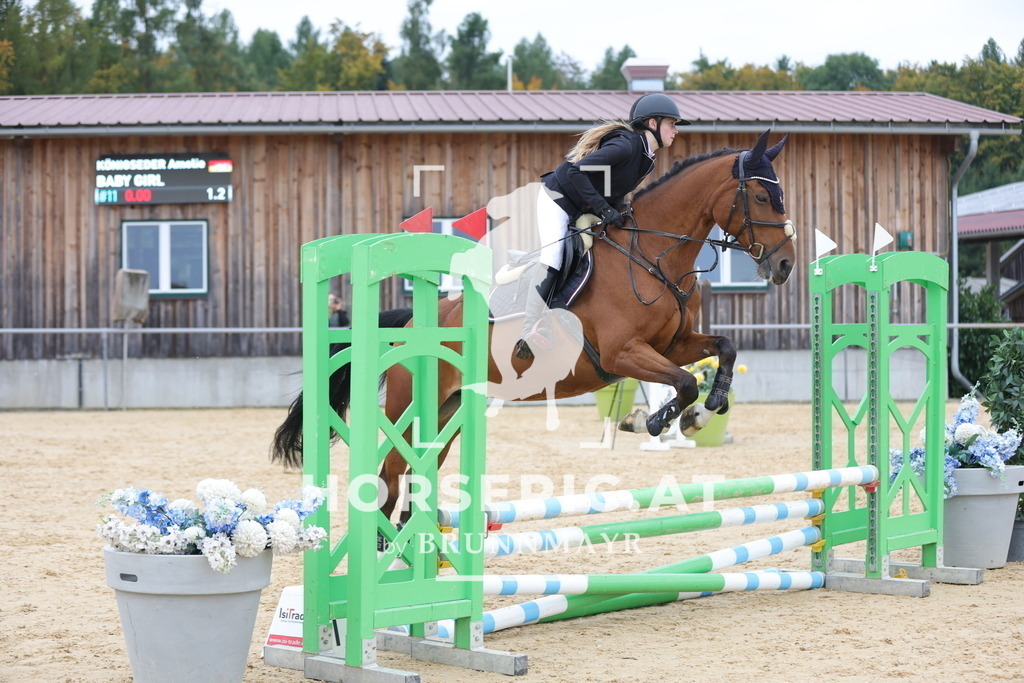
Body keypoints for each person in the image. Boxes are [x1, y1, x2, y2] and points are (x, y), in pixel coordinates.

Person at [514, 92, 690, 360]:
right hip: (557, 199)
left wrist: (618, 210)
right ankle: (529, 330)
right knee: (554, 257)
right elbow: (576, 172)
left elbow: (612, 186)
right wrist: (604, 209)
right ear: (652, 123)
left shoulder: (647, 156)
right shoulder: (626, 146)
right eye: (672, 123)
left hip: (584, 204)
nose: (676, 131)